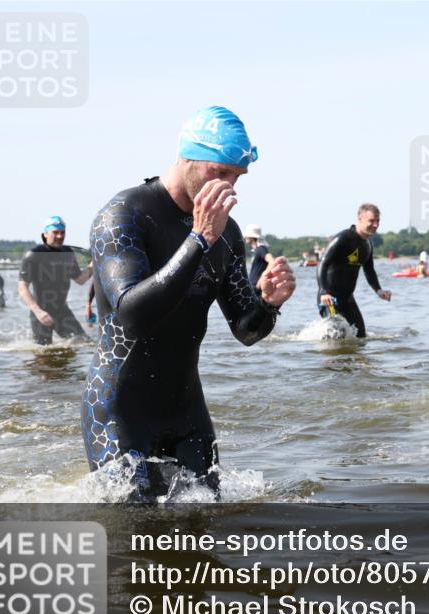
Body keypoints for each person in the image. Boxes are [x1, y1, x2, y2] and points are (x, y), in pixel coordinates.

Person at [81, 105, 295, 499]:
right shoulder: (124, 214)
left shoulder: (226, 233)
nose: (230, 187)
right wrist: (198, 240)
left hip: (187, 412)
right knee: (133, 543)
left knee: (206, 529)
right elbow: (131, 315)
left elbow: (245, 331)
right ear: (187, 159)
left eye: (237, 177)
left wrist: (267, 303)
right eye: (221, 172)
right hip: (120, 411)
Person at [316, 203, 392, 337]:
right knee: (336, 335)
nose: (375, 225)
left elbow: (369, 270)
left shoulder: (368, 244)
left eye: (378, 221)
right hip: (330, 298)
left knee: (361, 336)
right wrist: (324, 291)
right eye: (371, 221)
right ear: (360, 219)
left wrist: (378, 290)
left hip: (348, 299)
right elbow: (322, 264)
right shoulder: (343, 238)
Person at [18, 216, 94, 344]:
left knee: (85, 343)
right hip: (41, 313)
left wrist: (93, 266)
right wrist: (37, 311)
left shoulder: (68, 253)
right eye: (55, 232)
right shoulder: (34, 255)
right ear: (45, 234)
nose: (59, 236)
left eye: (62, 232)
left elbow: (80, 279)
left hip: (63, 312)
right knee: (44, 355)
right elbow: (22, 288)